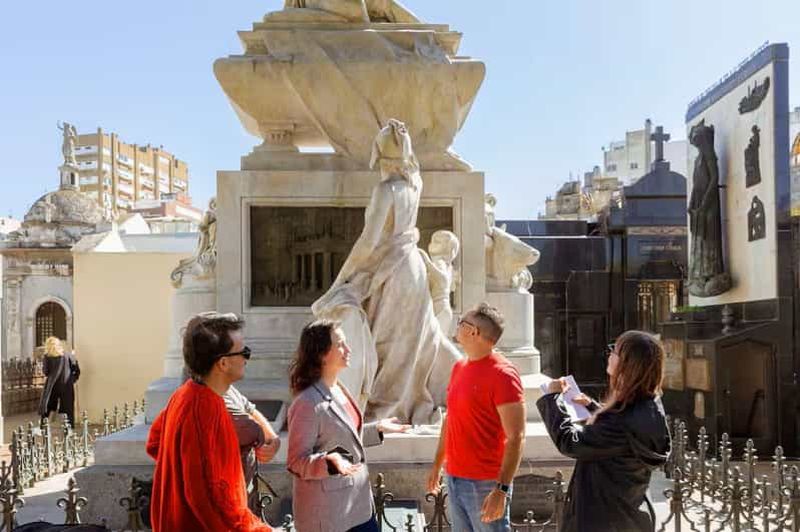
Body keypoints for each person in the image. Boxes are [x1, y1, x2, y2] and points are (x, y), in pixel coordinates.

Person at [146, 312, 271, 532]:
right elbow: (213, 501)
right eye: (244, 352)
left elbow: (155, 443)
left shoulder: (185, 394)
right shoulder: (205, 409)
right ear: (223, 363)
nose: (246, 358)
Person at [536, 330, 671, 532]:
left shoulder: (621, 424)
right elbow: (621, 427)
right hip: (626, 513)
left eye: (614, 351)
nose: (609, 354)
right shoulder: (648, 405)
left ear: (628, 363)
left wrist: (553, 399)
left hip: (603, 518)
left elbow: (570, 442)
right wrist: (592, 406)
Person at [287, 320, 410, 532]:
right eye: (341, 344)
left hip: (358, 506)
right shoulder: (307, 403)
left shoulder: (339, 389)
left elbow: (345, 438)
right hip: (328, 516)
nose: (348, 349)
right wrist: (328, 462)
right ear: (322, 354)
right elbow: (296, 461)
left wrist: (377, 429)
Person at [427, 303, 527, 532]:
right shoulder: (459, 367)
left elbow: (517, 437)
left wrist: (501, 490)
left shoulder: (503, 375)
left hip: (485, 484)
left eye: (462, 322)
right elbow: (450, 419)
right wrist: (437, 464)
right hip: (455, 478)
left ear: (474, 332)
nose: (458, 325)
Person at [224, 384, 281, 510]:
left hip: (245, 492)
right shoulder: (210, 392)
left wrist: (273, 439)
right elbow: (250, 428)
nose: (245, 363)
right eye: (241, 361)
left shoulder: (226, 386)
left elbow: (249, 409)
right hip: (227, 500)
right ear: (222, 364)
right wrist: (262, 438)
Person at [38, 337, 80, 427]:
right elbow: (76, 368)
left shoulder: (47, 357)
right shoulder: (68, 355)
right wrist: (73, 379)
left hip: (52, 385)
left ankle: (43, 426)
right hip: (66, 385)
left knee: (47, 406)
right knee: (68, 407)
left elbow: (45, 371)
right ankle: (69, 428)